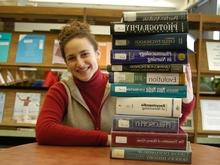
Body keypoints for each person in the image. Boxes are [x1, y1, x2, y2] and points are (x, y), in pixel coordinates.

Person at [36, 20, 195, 146]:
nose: (79, 63)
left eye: (85, 54)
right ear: (65, 62)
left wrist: (186, 101)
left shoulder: (123, 85)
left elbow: (162, 126)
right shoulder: (60, 91)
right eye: (71, 58)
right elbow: (44, 131)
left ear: (98, 54)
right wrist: (106, 139)